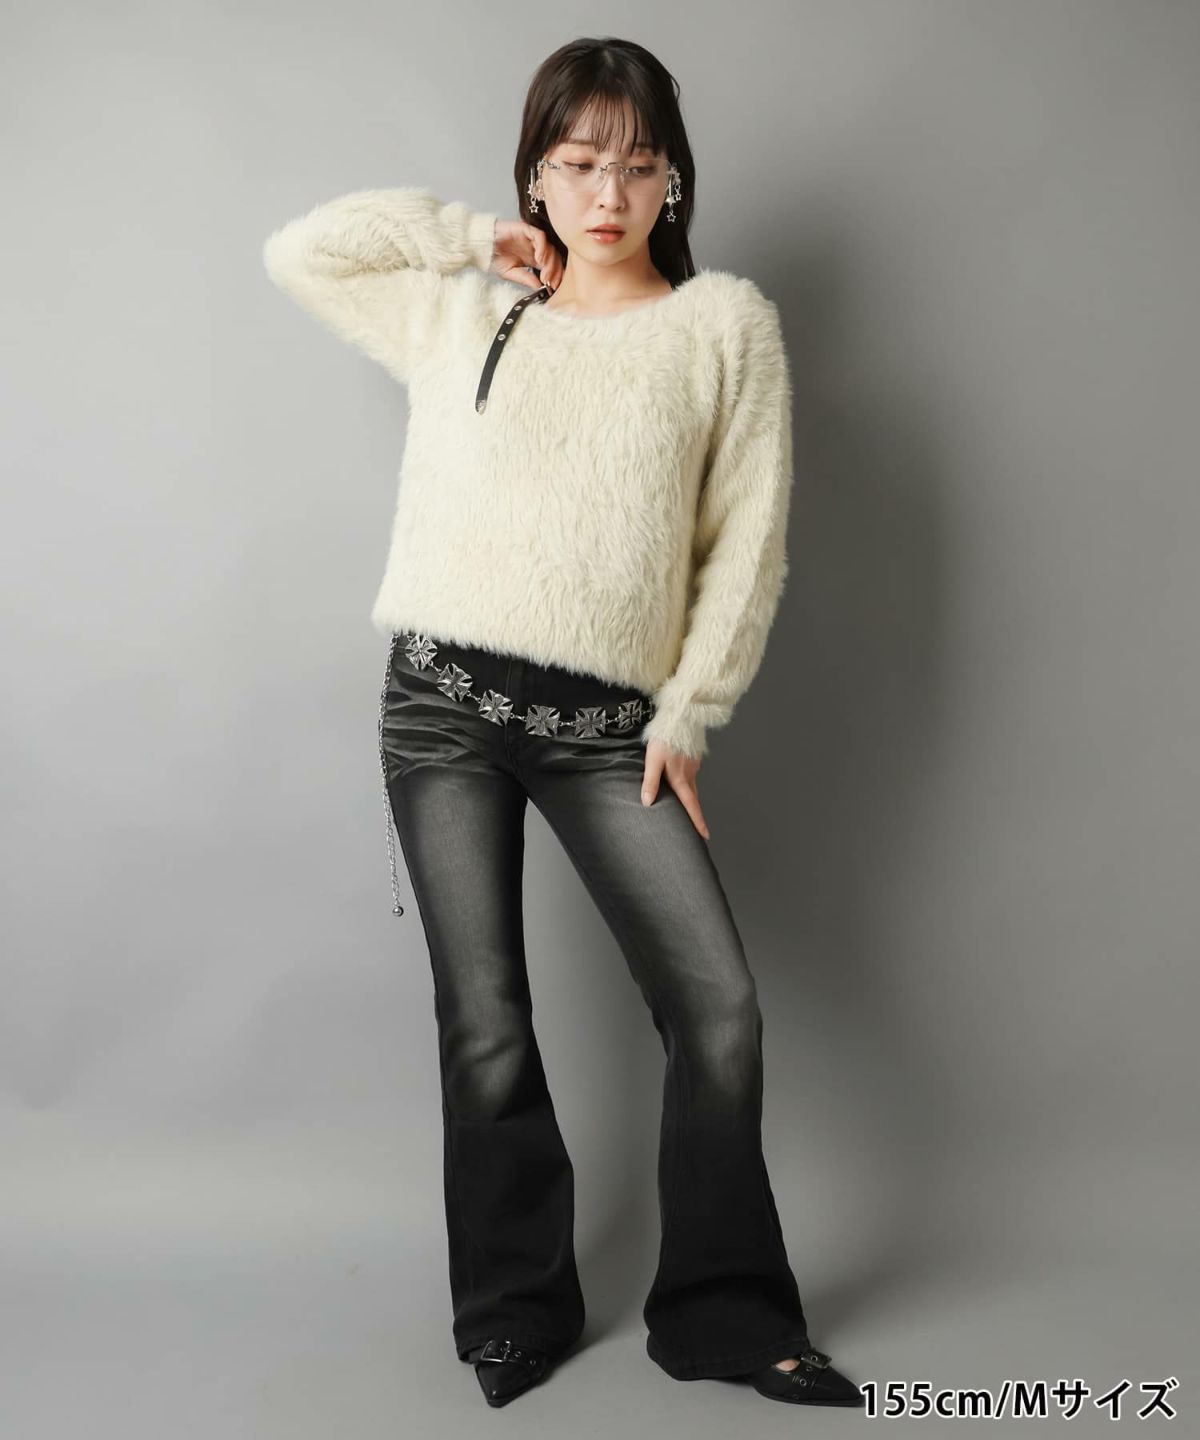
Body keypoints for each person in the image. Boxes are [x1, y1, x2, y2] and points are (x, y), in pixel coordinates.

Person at [263, 34, 864, 1412]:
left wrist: (691, 712)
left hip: (610, 731)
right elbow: (305, 253)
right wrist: (468, 237)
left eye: (639, 165)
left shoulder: (722, 330)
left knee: (719, 1012)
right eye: (580, 161)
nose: (609, 192)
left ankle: (722, 1316)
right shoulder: (465, 314)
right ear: (536, 174)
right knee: (484, 1019)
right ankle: (513, 1311)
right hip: (442, 710)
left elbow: (746, 545)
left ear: (674, 182)